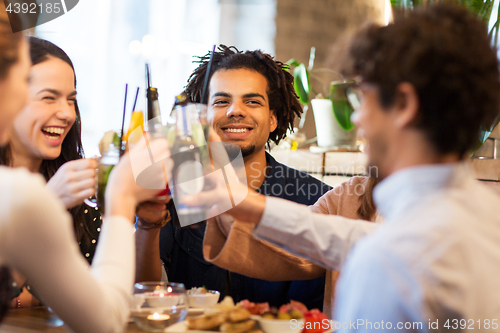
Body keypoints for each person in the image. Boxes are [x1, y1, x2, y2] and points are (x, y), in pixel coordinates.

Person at [184, 3, 500, 331]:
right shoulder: (484, 213)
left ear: (404, 105)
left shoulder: (384, 261)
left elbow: (366, 244)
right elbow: (341, 235)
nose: (357, 118)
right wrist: (243, 202)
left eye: (362, 98)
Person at [0, 4, 172, 332]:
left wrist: (147, 224)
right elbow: (101, 320)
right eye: (48, 97)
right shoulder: (21, 193)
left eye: (71, 99)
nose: (67, 113)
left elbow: (139, 290)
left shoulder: (83, 184)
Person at [135, 45, 333, 310]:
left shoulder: (315, 200)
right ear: (201, 120)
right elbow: (145, 295)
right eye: (221, 101)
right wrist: (148, 224)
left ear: (273, 119)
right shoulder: (173, 191)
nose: (235, 111)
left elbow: (312, 313)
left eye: (252, 101)